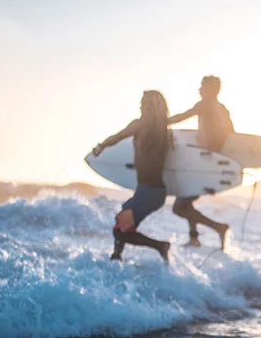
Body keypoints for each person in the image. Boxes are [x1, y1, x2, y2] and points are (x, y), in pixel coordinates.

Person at [92, 90, 173, 264]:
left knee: (120, 230)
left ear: (149, 105)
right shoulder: (163, 129)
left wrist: (101, 146)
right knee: (122, 221)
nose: (140, 105)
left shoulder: (140, 125)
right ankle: (116, 256)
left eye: (143, 102)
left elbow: (118, 136)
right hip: (153, 192)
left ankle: (160, 246)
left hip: (149, 192)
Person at [166, 76, 232, 248]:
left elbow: (182, 116)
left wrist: (160, 122)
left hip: (203, 163)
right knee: (185, 201)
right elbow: (232, 135)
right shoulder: (223, 109)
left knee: (179, 207)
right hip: (211, 162)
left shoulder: (205, 104)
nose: (199, 89)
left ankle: (219, 227)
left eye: (203, 86)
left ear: (212, 89)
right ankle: (194, 238)